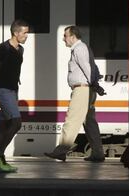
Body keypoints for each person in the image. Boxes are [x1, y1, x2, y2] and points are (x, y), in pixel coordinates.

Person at [44, 26, 105, 162]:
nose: (63, 39)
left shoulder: (79, 49)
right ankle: (98, 153)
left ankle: (61, 151)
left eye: (65, 36)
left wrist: (94, 85)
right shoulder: (82, 48)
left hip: (82, 90)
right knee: (89, 122)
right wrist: (95, 86)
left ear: (72, 37)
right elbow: (92, 68)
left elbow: (88, 69)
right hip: (86, 89)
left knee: (71, 120)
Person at [0, 19, 29, 173]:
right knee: (16, 122)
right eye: (24, 32)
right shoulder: (2, 49)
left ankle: (0, 160)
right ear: (16, 33)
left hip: (13, 90)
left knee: (4, 124)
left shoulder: (20, 50)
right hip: (2, 90)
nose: (27, 35)